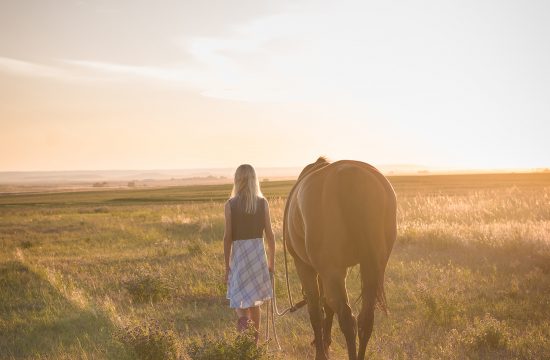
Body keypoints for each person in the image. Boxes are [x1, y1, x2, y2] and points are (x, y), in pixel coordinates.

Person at [224, 164, 275, 343]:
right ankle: (254, 341)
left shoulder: (230, 204)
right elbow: (270, 236)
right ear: (254, 180)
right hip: (257, 255)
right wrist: (271, 264)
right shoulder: (262, 203)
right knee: (255, 302)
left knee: (239, 297)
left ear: (237, 180)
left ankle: (243, 323)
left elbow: (227, 238)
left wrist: (226, 267)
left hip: (239, 255)